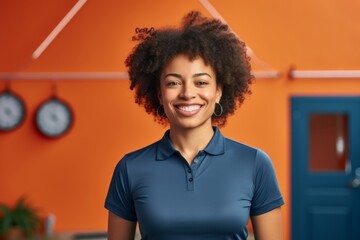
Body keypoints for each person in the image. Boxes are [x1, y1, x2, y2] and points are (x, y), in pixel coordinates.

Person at [105, 11, 284, 240]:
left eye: (201, 82)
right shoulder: (130, 168)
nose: (188, 93)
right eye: (173, 82)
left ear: (219, 92)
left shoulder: (255, 164)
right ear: (159, 94)